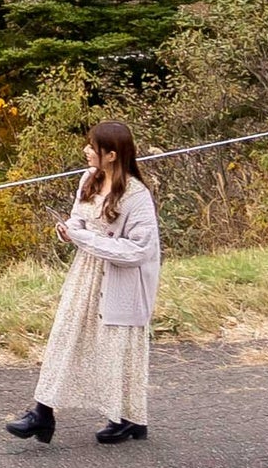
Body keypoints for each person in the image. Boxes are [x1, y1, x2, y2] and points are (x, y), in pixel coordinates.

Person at [8, 118, 160, 444]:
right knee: (64, 339)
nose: (86, 151)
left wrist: (85, 239)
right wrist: (68, 231)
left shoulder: (136, 196)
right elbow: (79, 219)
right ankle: (42, 413)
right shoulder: (89, 179)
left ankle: (129, 418)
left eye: (93, 147)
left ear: (112, 155)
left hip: (121, 283)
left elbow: (139, 250)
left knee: (116, 349)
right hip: (85, 277)